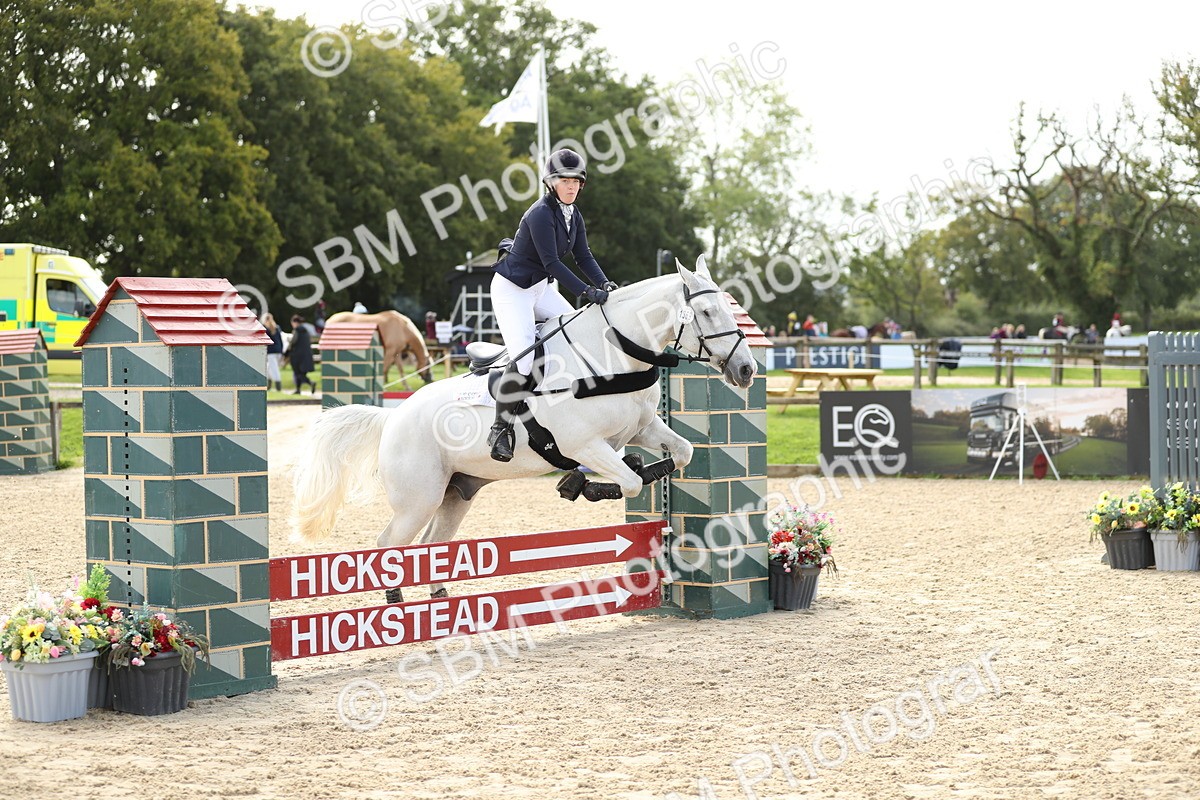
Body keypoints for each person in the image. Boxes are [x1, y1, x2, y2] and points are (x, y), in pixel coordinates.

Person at [487, 148, 616, 462]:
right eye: (564, 181)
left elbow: (584, 256)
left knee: (579, 333)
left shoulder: (574, 215)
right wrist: (586, 291)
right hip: (513, 289)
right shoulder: (541, 213)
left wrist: (604, 283)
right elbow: (553, 262)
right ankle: (499, 428)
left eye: (576, 181)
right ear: (552, 182)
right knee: (524, 357)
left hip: (539, 288)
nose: (571, 186)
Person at [285, 314, 317, 395]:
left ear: (295, 322)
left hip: (297, 355)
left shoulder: (297, 331)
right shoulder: (306, 331)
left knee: (298, 373)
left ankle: (311, 383)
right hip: (306, 355)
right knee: (301, 373)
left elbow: (293, 342)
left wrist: (287, 353)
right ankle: (298, 389)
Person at [262, 312, 284, 392]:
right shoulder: (277, 328)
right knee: (268, 369)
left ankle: (278, 387)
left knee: (274, 369)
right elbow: (281, 341)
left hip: (271, 352)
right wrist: (282, 351)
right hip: (278, 351)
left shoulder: (265, 329)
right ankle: (269, 385)